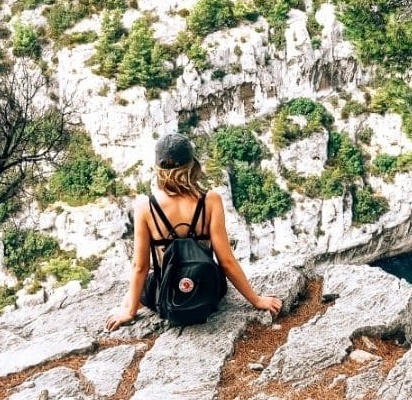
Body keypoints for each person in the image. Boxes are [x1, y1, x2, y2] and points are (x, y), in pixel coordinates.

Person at [105, 133, 283, 329]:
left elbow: (140, 266)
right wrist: (256, 300)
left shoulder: (145, 206)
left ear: (158, 168)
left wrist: (129, 311)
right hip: (208, 292)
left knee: (130, 296)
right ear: (192, 165)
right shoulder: (211, 200)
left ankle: (128, 307)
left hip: (166, 298)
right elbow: (226, 261)